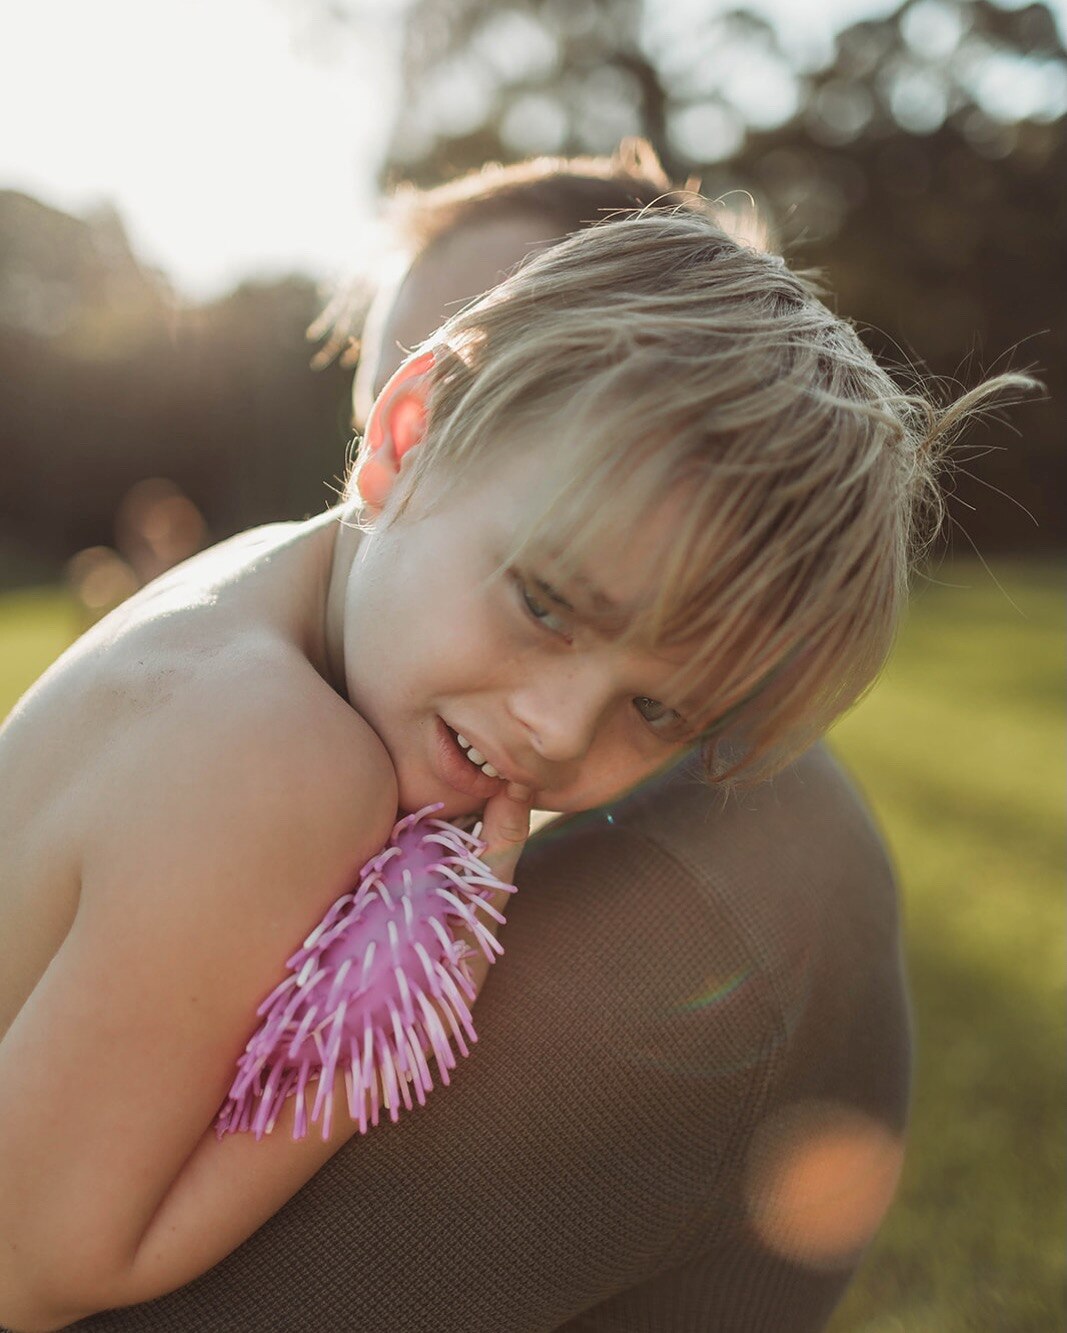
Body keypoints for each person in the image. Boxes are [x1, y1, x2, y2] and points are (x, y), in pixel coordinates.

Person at [0, 153, 1030, 1331]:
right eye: (545, 603)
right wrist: (403, 1016)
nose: (553, 731)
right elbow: (40, 1264)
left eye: (656, 711)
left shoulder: (250, 593)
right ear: (403, 433)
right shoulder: (284, 768)